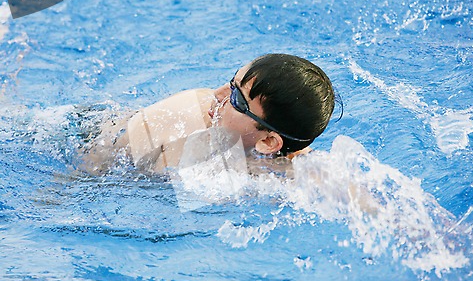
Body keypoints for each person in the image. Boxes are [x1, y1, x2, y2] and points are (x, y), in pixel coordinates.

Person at [79, 53, 341, 175]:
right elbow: (89, 169)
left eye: (236, 98)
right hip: (87, 139)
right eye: (231, 82)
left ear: (269, 142)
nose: (217, 94)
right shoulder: (180, 122)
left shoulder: (290, 163)